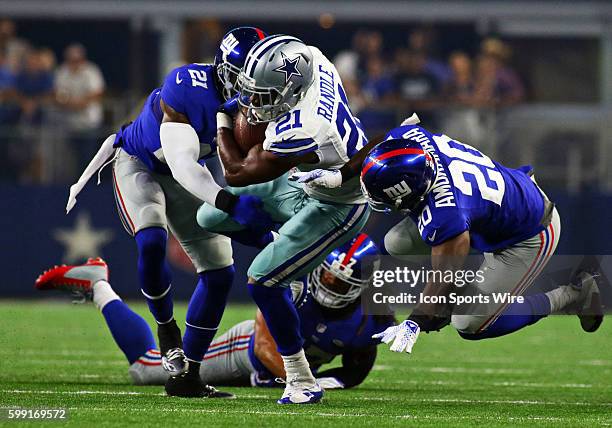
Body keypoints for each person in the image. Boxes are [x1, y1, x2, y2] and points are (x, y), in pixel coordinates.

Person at [64, 27, 272, 398]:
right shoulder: (187, 85)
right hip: (141, 163)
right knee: (152, 237)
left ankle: (187, 376)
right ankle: (166, 330)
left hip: (187, 174)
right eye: (249, 79)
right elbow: (183, 166)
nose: (255, 90)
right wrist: (229, 202)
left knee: (221, 273)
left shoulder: (257, 105)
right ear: (227, 72)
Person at [295, 116, 604, 353]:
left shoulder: (447, 210)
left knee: (469, 323)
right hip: (495, 207)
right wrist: (342, 175)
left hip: (528, 231)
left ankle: (572, 295)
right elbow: (382, 143)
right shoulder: (410, 142)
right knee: (397, 242)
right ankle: (464, 293)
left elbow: (444, 272)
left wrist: (418, 319)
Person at [197, 34, 371, 404]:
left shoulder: (303, 127)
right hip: (303, 182)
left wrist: (222, 118)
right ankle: (284, 253)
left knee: (262, 281)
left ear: (290, 90)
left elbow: (236, 172)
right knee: (210, 214)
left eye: (263, 96)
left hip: (337, 205)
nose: (252, 103)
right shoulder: (313, 58)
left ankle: (301, 380)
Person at [35, 235, 392, 391]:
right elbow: (268, 346)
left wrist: (333, 382)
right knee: (145, 369)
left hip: (279, 374)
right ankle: (99, 285)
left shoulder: (372, 314)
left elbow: (358, 365)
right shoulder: (295, 284)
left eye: (342, 282)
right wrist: (306, 381)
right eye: (327, 275)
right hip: (246, 354)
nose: (330, 286)